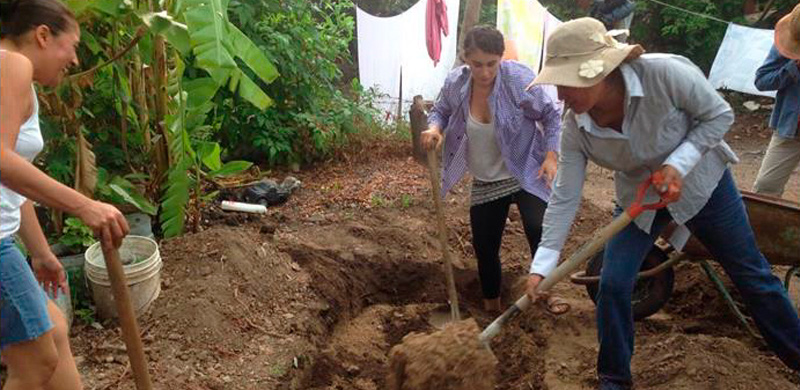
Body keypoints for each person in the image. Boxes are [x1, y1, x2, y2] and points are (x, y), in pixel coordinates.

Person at [524, 17, 800, 390]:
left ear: (599, 71)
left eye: (565, 82)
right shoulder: (576, 128)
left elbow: (719, 116)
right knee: (614, 285)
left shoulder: (665, 74)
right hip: (640, 202)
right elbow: (565, 196)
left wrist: (678, 163)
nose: (559, 95)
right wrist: (543, 266)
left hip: (704, 187)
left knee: (753, 277)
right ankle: (614, 379)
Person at [0, 1, 130, 389]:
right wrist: (84, 205)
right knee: (36, 360)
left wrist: (41, 253)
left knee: (53, 328)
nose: (74, 58)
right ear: (42, 35)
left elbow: (10, 182)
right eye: (71, 46)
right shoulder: (11, 64)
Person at [420, 25, 565, 314]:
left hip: (525, 168)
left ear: (501, 58)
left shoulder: (518, 79)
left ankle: (548, 291)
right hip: (486, 177)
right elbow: (441, 110)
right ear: (465, 60)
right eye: (477, 64)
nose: (485, 72)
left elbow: (551, 114)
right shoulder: (456, 83)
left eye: (491, 64)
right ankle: (491, 309)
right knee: (485, 246)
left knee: (538, 228)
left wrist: (551, 156)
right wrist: (434, 128)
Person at [753, 3, 800, 198]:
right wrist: (793, 68)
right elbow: (762, 80)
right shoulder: (789, 36)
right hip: (791, 127)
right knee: (765, 188)